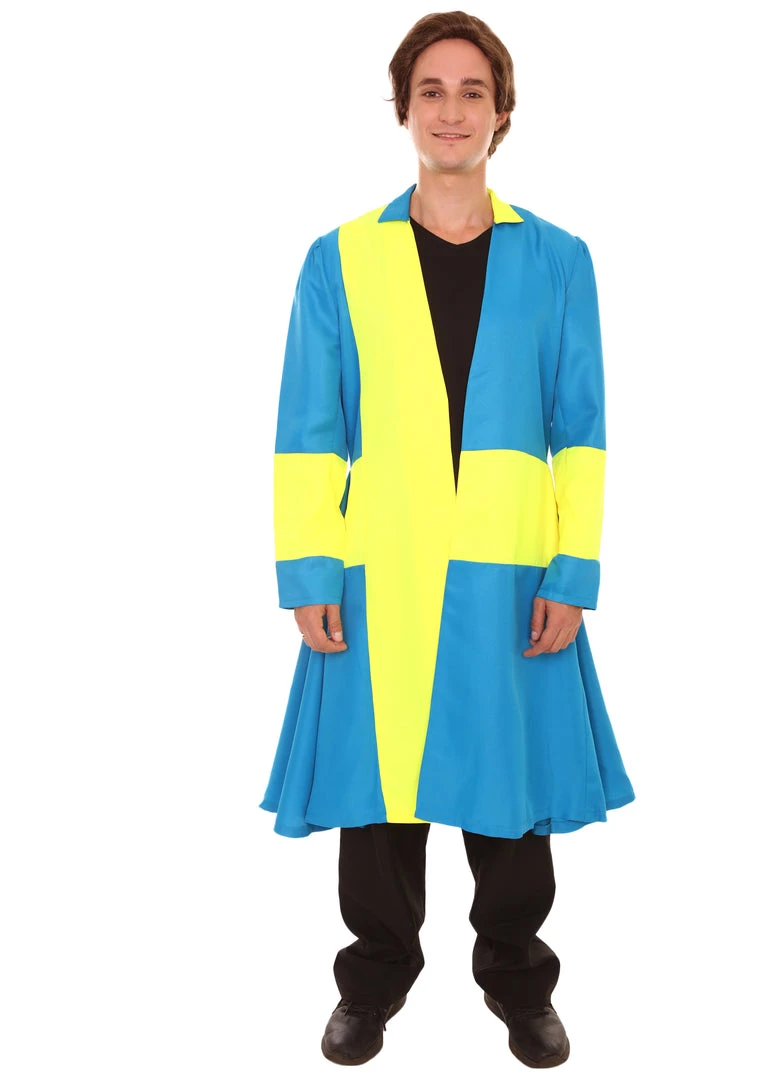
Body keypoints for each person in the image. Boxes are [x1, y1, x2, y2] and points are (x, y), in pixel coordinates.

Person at [259, 10, 636, 1069]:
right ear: (403, 107)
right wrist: (308, 567)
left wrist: (573, 567)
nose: (452, 110)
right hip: (379, 563)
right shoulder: (339, 259)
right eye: (431, 89)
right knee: (379, 796)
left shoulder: (557, 259)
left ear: (502, 112)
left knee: (506, 791)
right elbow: (307, 430)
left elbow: (581, 429)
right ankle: (373, 982)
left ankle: (517, 982)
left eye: (473, 91)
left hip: (512, 563)